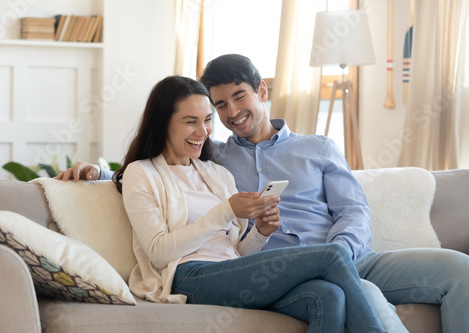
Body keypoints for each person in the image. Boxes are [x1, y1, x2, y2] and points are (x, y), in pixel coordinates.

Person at [57, 55, 469, 332]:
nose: (230, 112)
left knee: (457, 268)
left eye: (238, 97)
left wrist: (319, 244)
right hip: (269, 269)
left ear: (262, 91)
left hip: (346, 256)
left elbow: (354, 212)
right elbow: (153, 170)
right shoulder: (215, 157)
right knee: (331, 287)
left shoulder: (311, 149)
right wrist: (98, 171)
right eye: (219, 106)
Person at [103, 75, 387, 332]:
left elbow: (236, 250)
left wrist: (261, 233)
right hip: (188, 275)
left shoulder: (216, 173)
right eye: (190, 121)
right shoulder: (142, 173)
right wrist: (225, 211)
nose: (202, 131)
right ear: (163, 122)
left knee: (328, 297)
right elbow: (158, 252)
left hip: (231, 272)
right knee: (332, 254)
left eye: (207, 120)